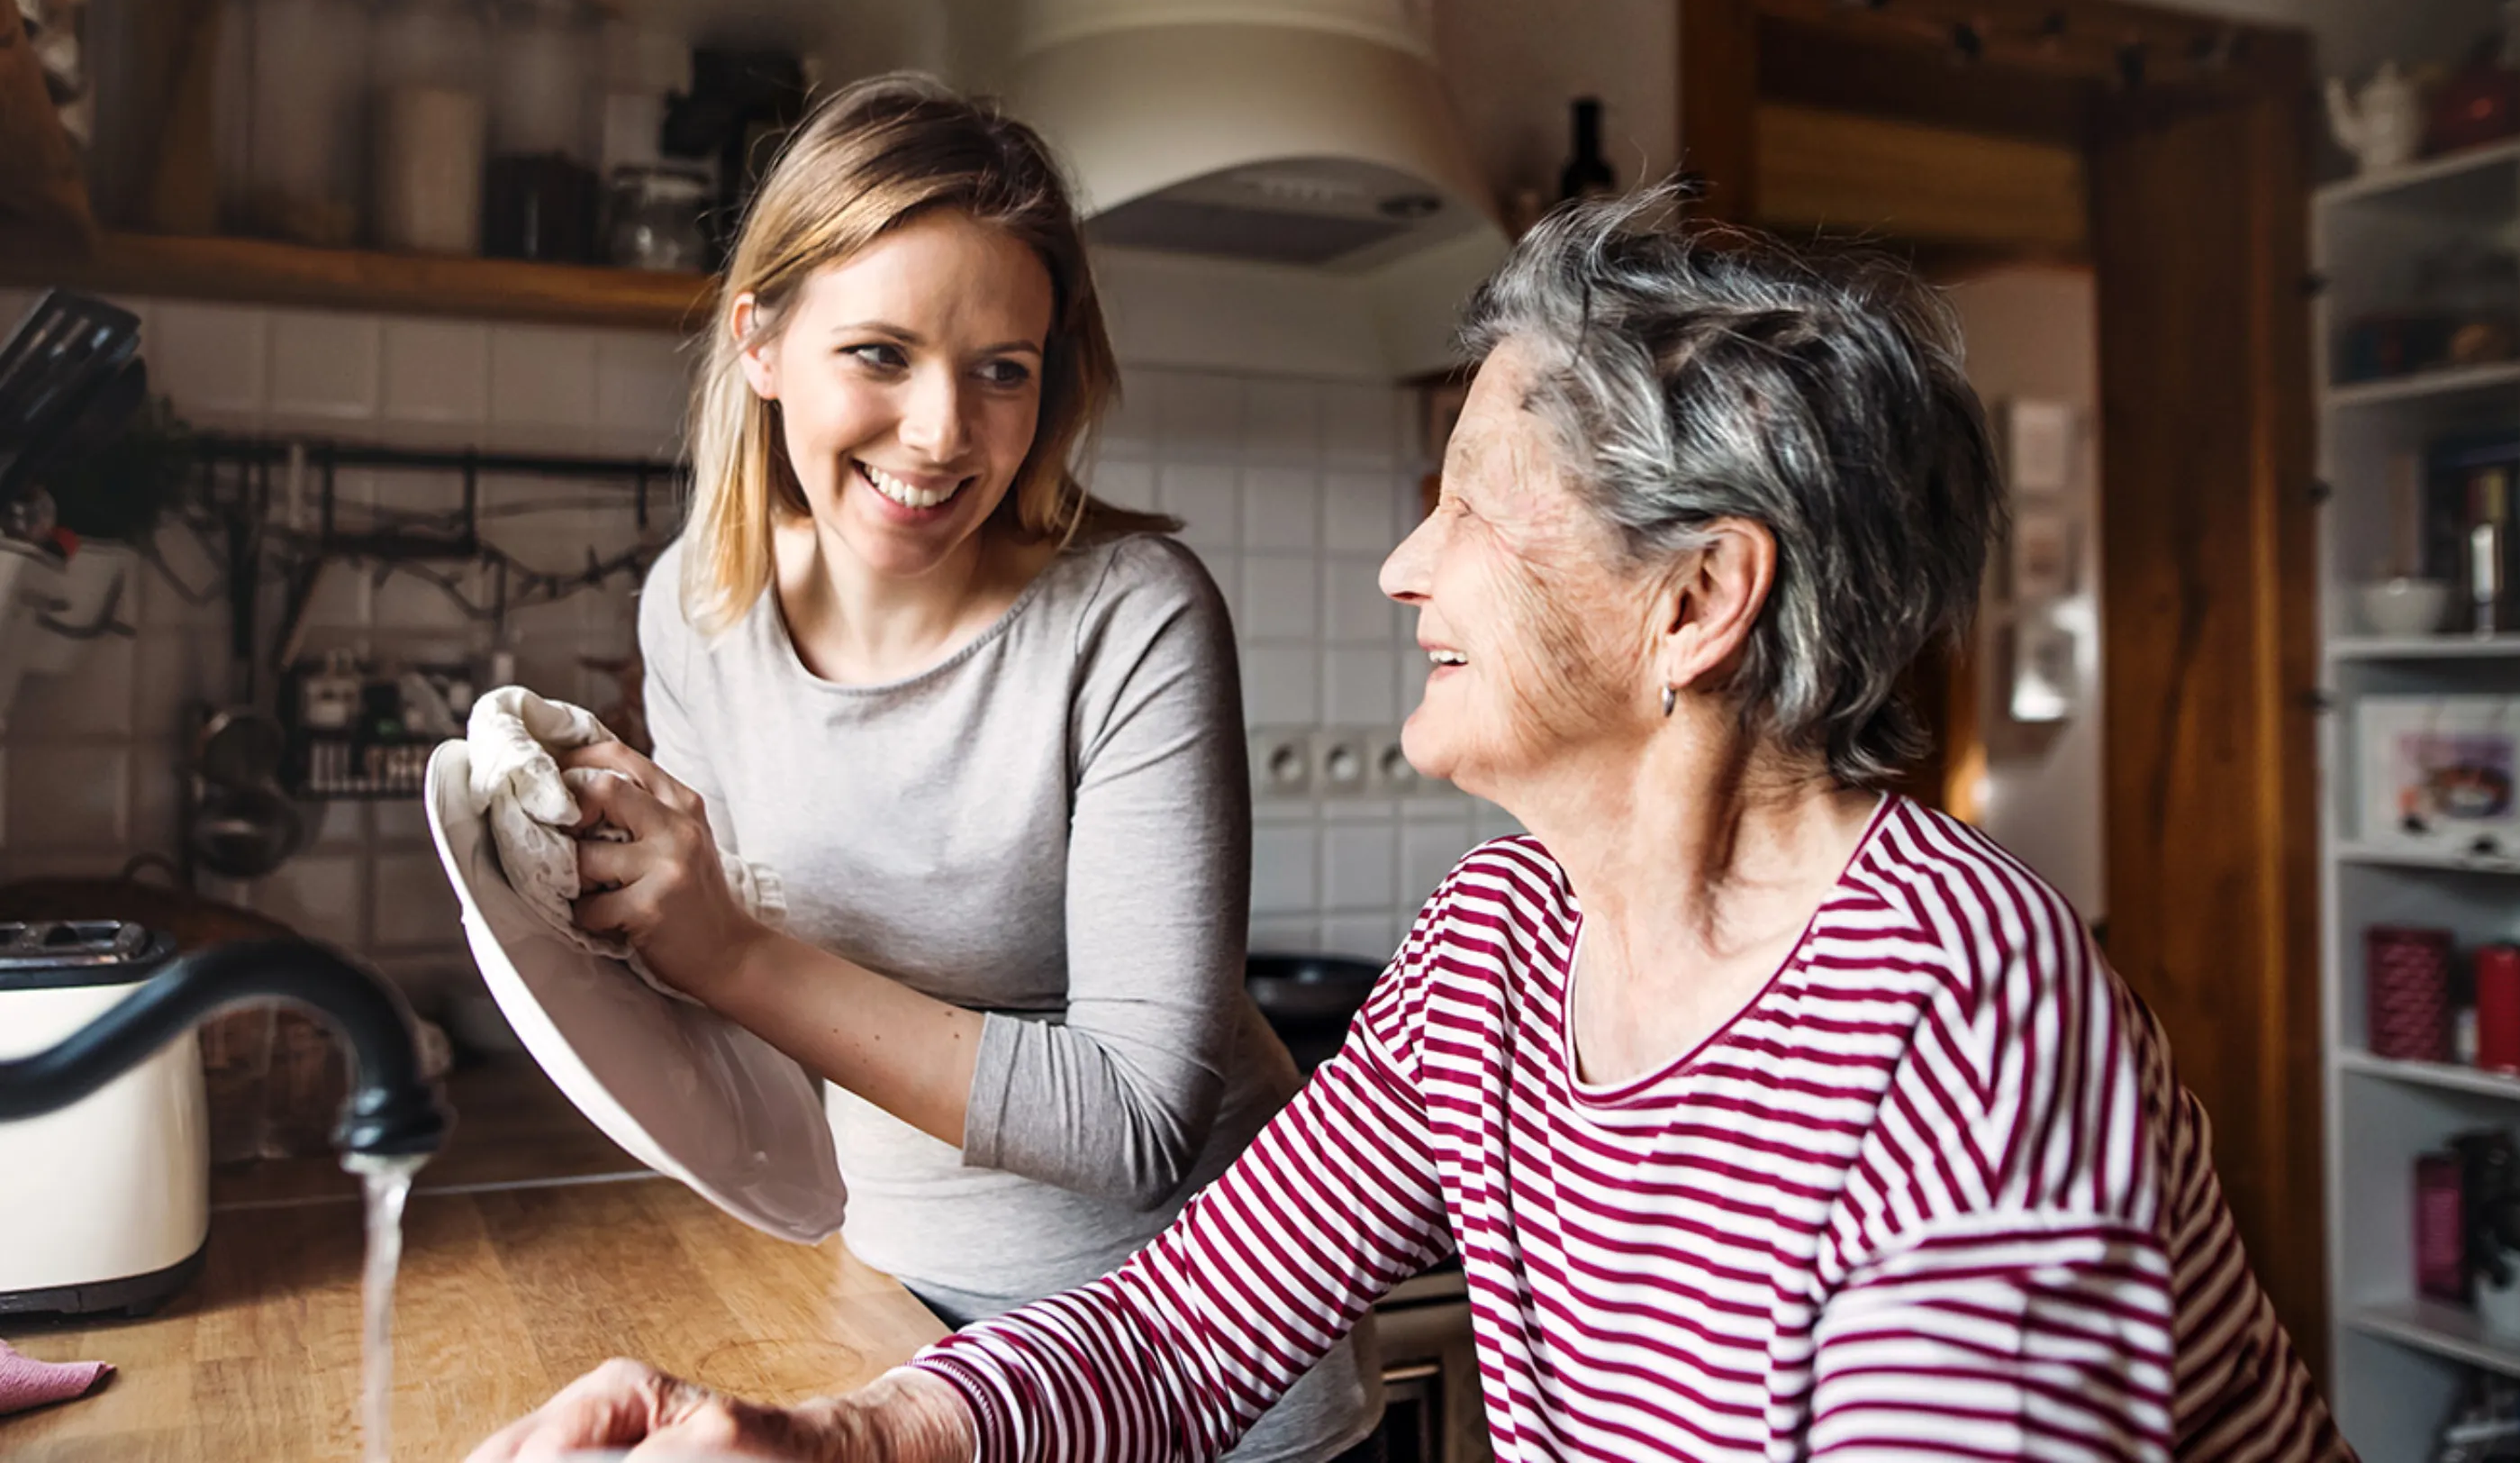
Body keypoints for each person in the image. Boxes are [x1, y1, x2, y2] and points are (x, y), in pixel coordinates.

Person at [474, 187, 2354, 1462]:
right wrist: (840, 1439)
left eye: (1463, 503)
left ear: (1693, 602)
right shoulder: (1497, 949)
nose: (1398, 566)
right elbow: (1183, 1329)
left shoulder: (1964, 1020)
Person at [537, 72, 1379, 1463]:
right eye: (880, 353)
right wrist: (600, 916)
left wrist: (727, 951)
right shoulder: (697, 608)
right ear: (760, 341)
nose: (942, 434)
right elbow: (732, 1023)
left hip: (1198, 1371)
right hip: (893, 1320)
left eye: (1004, 369)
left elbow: (1138, 1120)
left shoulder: (1134, 618)